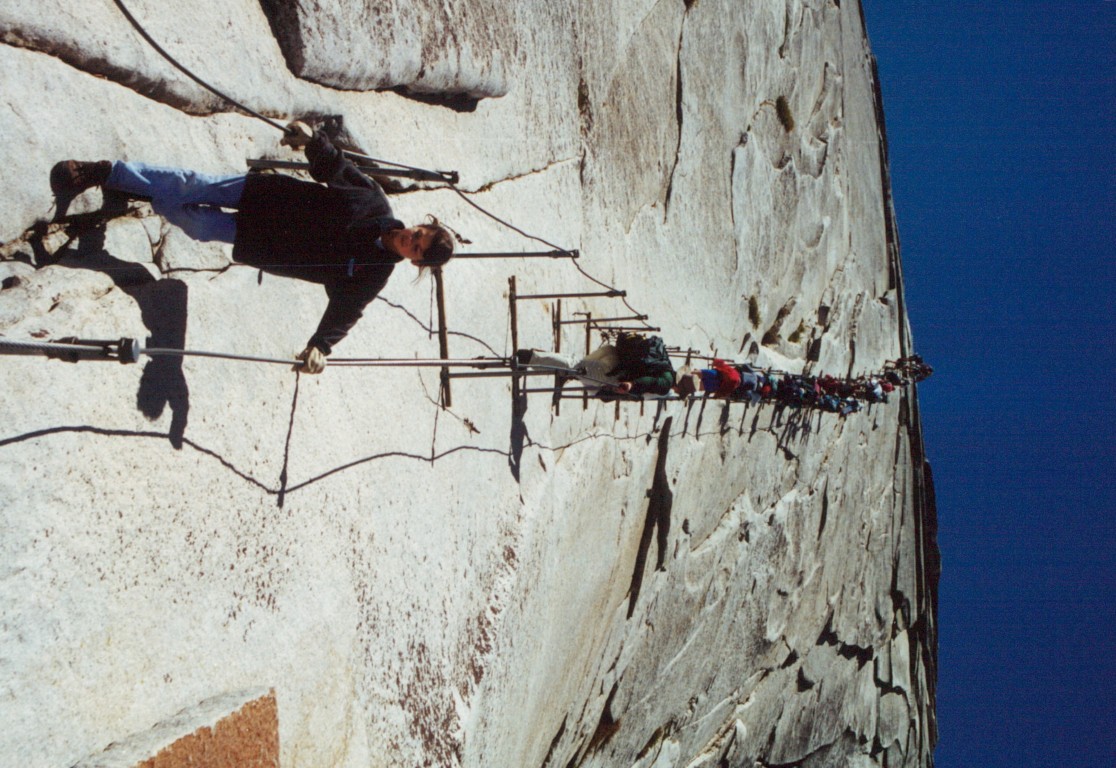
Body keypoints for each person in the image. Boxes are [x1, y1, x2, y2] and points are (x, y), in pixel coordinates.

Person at [49, 121, 455, 373]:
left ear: (414, 262)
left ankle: (143, 189)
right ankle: (106, 173)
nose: (412, 241)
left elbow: (346, 311)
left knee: (194, 222)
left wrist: (321, 346)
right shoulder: (375, 204)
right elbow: (338, 169)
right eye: (419, 234)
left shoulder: (373, 274)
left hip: (260, 243)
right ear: (420, 225)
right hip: (264, 195)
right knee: (191, 186)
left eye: (417, 250)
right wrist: (313, 141)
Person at [515, 337, 675, 398]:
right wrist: (632, 384)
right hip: (611, 370)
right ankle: (528, 357)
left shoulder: (665, 363)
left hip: (612, 353)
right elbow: (650, 382)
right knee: (575, 367)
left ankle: (536, 358)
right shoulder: (666, 384)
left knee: (576, 365)